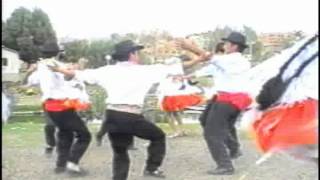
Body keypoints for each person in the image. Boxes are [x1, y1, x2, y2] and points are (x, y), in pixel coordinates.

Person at [49, 40, 205, 180]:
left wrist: (59, 70)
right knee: (158, 137)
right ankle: (152, 168)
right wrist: (197, 56)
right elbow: (181, 66)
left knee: (120, 152)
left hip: (112, 116)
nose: (139, 55)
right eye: (137, 52)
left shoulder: (106, 71)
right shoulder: (145, 71)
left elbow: (76, 73)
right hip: (130, 115)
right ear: (132, 54)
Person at [178, 32, 252, 175]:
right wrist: (185, 76)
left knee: (211, 133)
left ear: (234, 46)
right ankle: (234, 147)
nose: (224, 45)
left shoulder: (237, 60)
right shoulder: (227, 60)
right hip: (224, 98)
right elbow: (209, 68)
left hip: (229, 100)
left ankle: (225, 165)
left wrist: (190, 47)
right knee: (204, 120)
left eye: (226, 43)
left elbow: (209, 57)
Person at [26, 42, 92, 176]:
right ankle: (72, 164)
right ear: (58, 53)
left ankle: (60, 165)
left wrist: (30, 70)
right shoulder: (58, 65)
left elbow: (29, 81)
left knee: (65, 134)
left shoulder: (40, 68)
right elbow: (70, 76)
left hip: (50, 106)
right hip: (62, 105)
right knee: (84, 135)